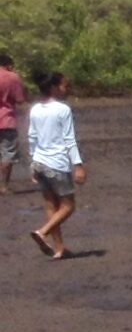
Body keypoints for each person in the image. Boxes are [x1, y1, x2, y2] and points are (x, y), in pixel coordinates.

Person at [25, 71, 84, 259]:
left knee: (51, 204)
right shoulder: (62, 109)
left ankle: (59, 249)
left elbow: (31, 137)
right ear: (53, 87)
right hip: (56, 163)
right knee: (68, 205)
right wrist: (78, 165)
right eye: (63, 86)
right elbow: (69, 139)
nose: (66, 89)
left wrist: (33, 163)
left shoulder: (35, 109)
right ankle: (43, 232)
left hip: (39, 163)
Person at [0, 51, 24, 194]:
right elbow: (20, 99)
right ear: (8, 65)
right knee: (7, 153)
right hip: (7, 119)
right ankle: (4, 186)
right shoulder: (12, 77)